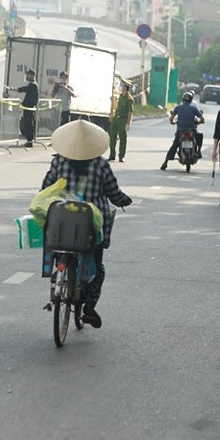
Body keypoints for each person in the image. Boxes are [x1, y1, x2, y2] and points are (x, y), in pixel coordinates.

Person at [41, 120, 133, 328]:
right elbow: (113, 192)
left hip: (61, 226)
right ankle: (89, 306)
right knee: (97, 268)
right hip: (90, 229)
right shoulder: (101, 165)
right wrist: (124, 200)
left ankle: (59, 275)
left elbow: (45, 188)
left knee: (58, 248)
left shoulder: (58, 162)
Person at [162, 91, 204, 170]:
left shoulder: (178, 107)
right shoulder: (194, 108)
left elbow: (171, 118)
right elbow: (202, 119)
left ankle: (166, 162)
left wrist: (172, 122)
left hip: (180, 131)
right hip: (192, 130)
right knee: (200, 136)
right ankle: (198, 151)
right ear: (191, 100)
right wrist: (199, 122)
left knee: (174, 145)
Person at [6, 68, 39, 148]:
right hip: (28, 107)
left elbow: (23, 89)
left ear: (32, 76)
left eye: (28, 75)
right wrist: (22, 102)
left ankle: (29, 141)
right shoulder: (32, 85)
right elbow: (29, 97)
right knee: (27, 124)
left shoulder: (33, 85)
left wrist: (12, 89)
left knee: (29, 124)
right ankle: (29, 141)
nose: (27, 76)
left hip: (29, 108)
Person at [108, 78, 135, 162]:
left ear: (126, 88)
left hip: (123, 120)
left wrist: (128, 123)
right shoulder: (120, 96)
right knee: (112, 137)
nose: (121, 87)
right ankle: (112, 155)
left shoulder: (129, 99)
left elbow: (130, 112)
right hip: (116, 118)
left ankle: (121, 156)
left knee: (123, 139)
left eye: (123, 86)